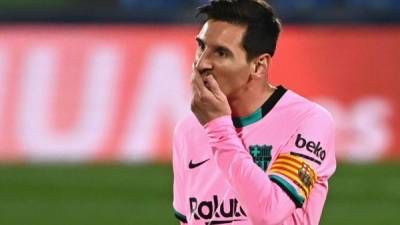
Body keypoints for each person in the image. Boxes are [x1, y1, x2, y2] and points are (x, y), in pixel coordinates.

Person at [172, 0, 336, 224]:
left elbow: (269, 211)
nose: (201, 63)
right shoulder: (188, 130)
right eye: (201, 46)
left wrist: (218, 129)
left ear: (259, 66)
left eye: (221, 53)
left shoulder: (308, 121)